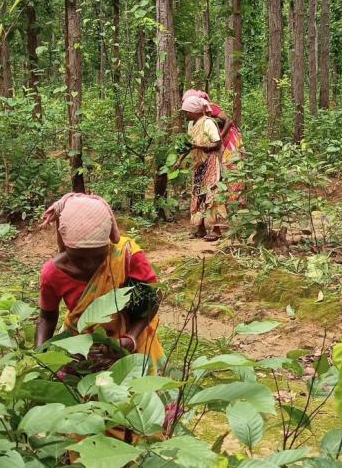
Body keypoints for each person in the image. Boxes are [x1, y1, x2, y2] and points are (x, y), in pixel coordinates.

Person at [35, 193, 163, 373]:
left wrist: (130, 339)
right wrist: (40, 357)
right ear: (65, 244)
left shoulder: (126, 256)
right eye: (78, 259)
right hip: (80, 349)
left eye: (98, 257)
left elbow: (153, 299)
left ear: (108, 243)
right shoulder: (53, 272)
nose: (89, 264)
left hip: (130, 346)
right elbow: (46, 319)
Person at [182, 89, 245, 205]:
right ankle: (223, 200)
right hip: (216, 143)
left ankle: (237, 200)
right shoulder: (197, 119)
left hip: (229, 140)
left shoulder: (210, 108)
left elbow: (229, 121)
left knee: (232, 168)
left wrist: (219, 137)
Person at [182, 95, 227, 241]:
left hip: (210, 162)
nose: (186, 115)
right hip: (198, 164)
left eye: (187, 111)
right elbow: (190, 144)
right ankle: (200, 227)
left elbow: (217, 143)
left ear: (195, 111)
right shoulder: (191, 125)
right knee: (198, 194)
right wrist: (180, 159)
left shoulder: (208, 123)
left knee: (211, 194)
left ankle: (216, 229)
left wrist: (199, 146)